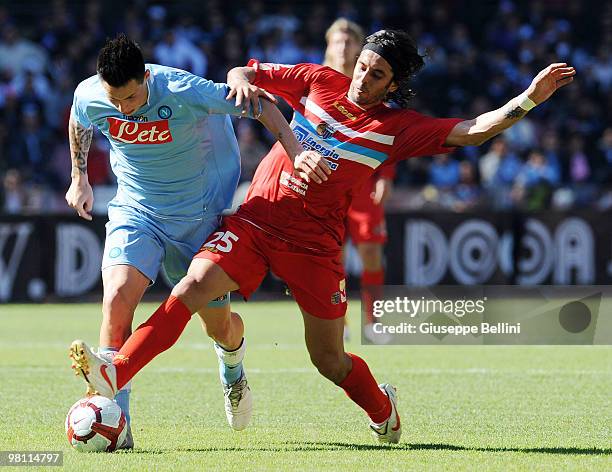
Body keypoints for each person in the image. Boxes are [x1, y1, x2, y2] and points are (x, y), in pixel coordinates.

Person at [69, 29, 575, 444]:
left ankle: (383, 410)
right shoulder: (320, 80)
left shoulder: (397, 127)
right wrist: (242, 82)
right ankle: (118, 372)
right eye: (362, 66)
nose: (362, 79)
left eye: (376, 75)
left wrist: (529, 98)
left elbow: (475, 130)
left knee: (329, 361)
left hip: (315, 247)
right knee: (191, 286)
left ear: (391, 84)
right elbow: (245, 73)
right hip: (256, 221)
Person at [65, 34, 324, 447]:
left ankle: (233, 364)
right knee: (115, 298)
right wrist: (79, 178)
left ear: (146, 78)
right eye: (115, 101)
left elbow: (263, 106)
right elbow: (79, 121)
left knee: (219, 327)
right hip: (137, 212)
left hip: (200, 220)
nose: (123, 110)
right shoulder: (92, 95)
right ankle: (119, 424)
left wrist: (295, 154)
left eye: (130, 99)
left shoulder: (183, 90)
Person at [323, 18, 396, 342]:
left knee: (370, 253)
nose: (342, 47)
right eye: (337, 42)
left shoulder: (370, 84)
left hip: (364, 181)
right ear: (328, 47)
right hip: (326, 184)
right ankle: (340, 322)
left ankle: (373, 321)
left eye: (348, 42)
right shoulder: (317, 81)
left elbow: (389, 132)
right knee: (331, 256)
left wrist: (387, 175)